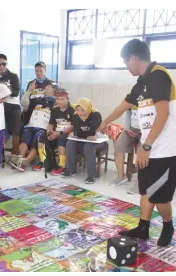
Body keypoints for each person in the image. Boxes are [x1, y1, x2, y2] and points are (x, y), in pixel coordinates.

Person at [99, 39, 176, 247]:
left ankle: (168, 225)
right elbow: (122, 106)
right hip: (148, 147)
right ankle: (143, 227)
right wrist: (106, 121)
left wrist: (147, 146)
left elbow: (163, 114)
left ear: (134, 57)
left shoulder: (159, 75)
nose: (126, 66)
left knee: (160, 196)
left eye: (125, 62)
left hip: (165, 149)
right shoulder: (142, 81)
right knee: (145, 190)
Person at [9, 84, 57, 172]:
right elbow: (24, 103)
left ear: (54, 89)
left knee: (36, 141)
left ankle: (25, 161)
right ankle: (20, 158)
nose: (45, 88)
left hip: (43, 128)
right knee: (25, 139)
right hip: (31, 125)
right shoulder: (37, 99)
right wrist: (29, 91)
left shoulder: (56, 102)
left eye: (48, 87)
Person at [63, 98, 104, 184]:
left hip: (99, 142)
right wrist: (79, 133)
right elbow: (78, 131)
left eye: (82, 110)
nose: (80, 113)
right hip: (83, 140)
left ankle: (92, 175)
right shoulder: (76, 116)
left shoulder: (95, 115)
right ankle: (70, 170)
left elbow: (92, 131)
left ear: (88, 108)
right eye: (78, 110)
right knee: (70, 143)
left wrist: (77, 133)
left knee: (88, 146)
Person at [45, 89, 75, 176]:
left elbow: (74, 126)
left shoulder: (73, 109)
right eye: (57, 99)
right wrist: (49, 132)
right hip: (57, 132)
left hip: (69, 134)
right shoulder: (54, 109)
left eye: (62, 99)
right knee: (44, 137)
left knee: (61, 138)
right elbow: (51, 124)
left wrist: (58, 133)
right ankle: (48, 163)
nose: (59, 101)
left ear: (67, 99)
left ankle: (62, 165)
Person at [109, 106, 141, 185]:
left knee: (141, 153)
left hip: (146, 130)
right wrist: (127, 128)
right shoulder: (134, 96)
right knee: (118, 146)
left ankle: (140, 183)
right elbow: (128, 112)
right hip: (131, 128)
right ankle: (121, 176)